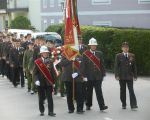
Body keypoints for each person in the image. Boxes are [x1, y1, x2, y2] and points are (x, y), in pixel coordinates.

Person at [81, 37, 108, 111]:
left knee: (99, 91)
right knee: (89, 92)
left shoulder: (99, 53)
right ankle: (88, 105)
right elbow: (83, 66)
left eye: (95, 45)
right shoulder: (85, 54)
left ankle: (102, 106)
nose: (94, 46)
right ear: (90, 45)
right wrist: (84, 76)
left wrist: (103, 74)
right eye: (92, 45)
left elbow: (102, 64)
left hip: (98, 76)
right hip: (89, 76)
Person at [114, 42, 138, 110]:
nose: (126, 48)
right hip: (121, 76)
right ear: (122, 48)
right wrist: (116, 75)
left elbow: (134, 67)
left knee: (131, 90)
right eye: (124, 47)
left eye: (127, 47)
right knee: (123, 91)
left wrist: (135, 76)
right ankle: (123, 104)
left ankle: (133, 104)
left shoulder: (132, 55)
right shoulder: (118, 56)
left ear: (128, 48)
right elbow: (116, 66)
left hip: (130, 76)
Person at [34, 45, 56, 116]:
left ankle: (51, 111)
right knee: (41, 98)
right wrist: (36, 80)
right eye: (44, 53)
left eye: (46, 52)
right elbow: (35, 73)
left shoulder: (50, 61)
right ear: (41, 54)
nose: (46, 54)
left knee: (50, 98)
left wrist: (54, 82)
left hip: (48, 82)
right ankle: (42, 110)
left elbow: (53, 72)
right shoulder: (37, 62)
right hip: (40, 82)